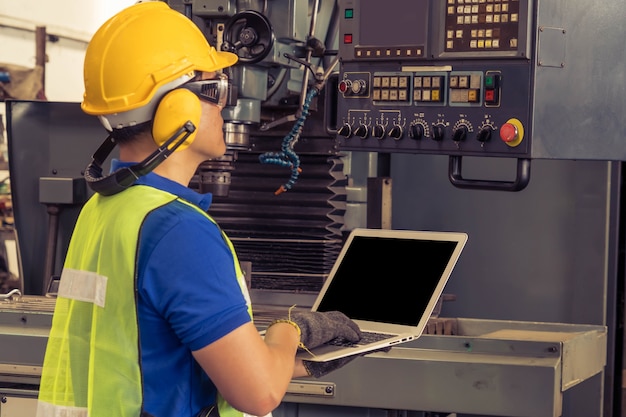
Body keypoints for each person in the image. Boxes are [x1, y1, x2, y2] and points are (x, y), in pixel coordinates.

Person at [35, 3, 363, 417]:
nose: (225, 106)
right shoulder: (178, 232)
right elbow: (258, 395)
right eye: (217, 90)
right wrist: (291, 330)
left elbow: (152, 356)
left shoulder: (105, 207)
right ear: (178, 109)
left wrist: (295, 361)